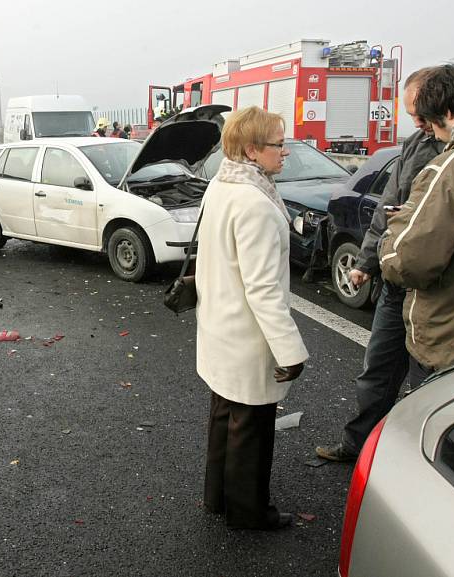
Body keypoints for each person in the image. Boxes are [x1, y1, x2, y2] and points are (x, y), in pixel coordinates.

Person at [315, 68, 445, 462]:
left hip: (435, 289)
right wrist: (368, 263)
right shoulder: (416, 144)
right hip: (396, 283)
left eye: (421, 112)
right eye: (411, 114)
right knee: (377, 372)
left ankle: (420, 466)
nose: (418, 122)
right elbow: (386, 212)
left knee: (430, 384)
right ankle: (359, 447)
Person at [195, 106, 308, 530]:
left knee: (225, 416)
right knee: (252, 428)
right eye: (280, 144)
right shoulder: (255, 203)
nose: (286, 153)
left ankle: (218, 499)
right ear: (252, 149)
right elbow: (263, 290)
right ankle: (249, 512)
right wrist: (290, 351)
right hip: (247, 333)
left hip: (221, 324)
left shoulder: (221, 185)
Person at [379, 61, 454, 387]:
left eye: (428, 121)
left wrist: (394, 236)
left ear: (447, 112)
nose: (425, 130)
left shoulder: (453, 168)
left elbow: (410, 263)